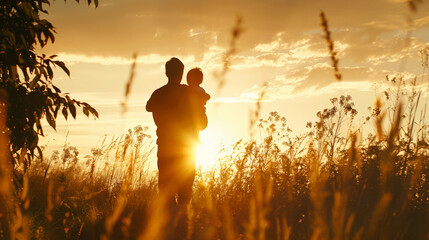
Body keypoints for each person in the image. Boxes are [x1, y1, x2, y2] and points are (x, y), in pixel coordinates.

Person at [146, 57, 208, 239]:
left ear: (166, 72)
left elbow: (149, 107)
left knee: (165, 189)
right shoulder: (190, 93)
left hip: (165, 147)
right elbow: (203, 124)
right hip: (187, 148)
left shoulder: (158, 94)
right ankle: (182, 229)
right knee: (185, 190)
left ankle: (167, 230)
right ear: (182, 73)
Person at [186, 67, 210, 142]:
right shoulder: (198, 90)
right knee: (194, 131)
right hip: (199, 115)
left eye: (189, 78)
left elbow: (206, 97)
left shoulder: (197, 90)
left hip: (198, 115)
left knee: (193, 130)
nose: (187, 80)